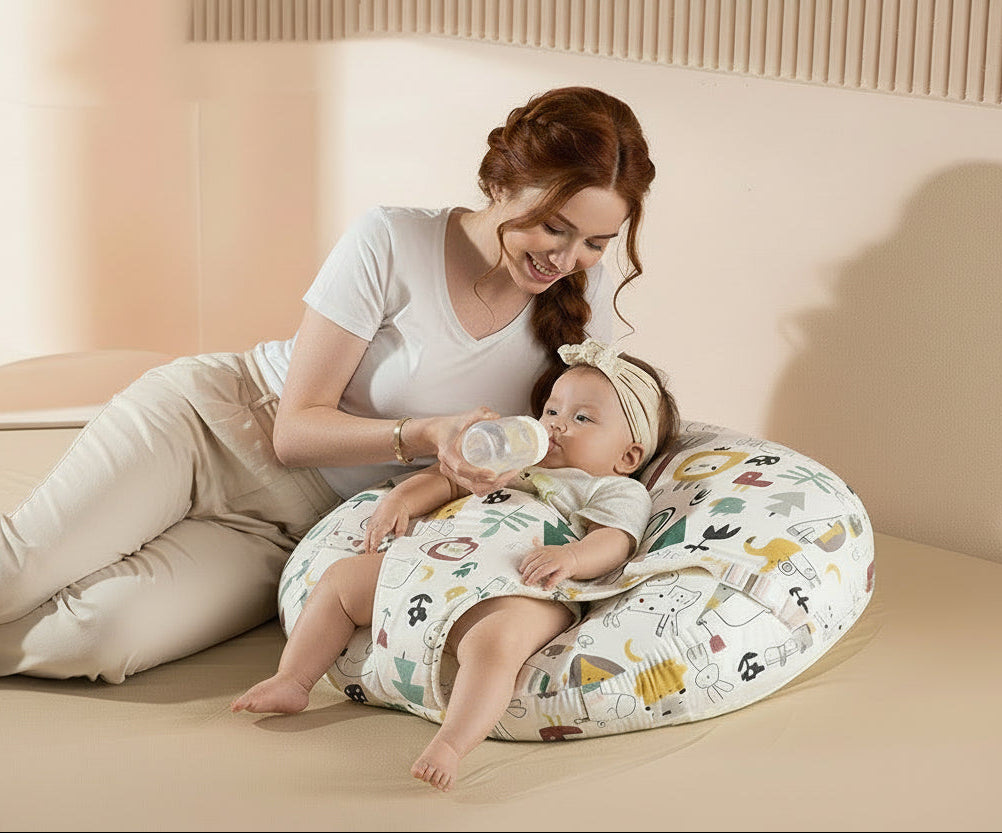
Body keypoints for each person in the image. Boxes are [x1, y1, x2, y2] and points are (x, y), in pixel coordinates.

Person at [0, 86, 656, 685]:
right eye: (553, 227)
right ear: (504, 183)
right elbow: (295, 430)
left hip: (293, 529)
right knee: (20, 572)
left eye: (596, 242)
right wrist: (428, 434)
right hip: (211, 429)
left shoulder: (577, 298)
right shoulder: (392, 240)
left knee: (99, 638)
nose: (567, 259)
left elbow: (594, 432)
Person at [230, 338, 681, 793]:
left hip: (521, 583)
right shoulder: (514, 462)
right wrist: (401, 500)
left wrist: (571, 557)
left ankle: (452, 741)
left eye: (581, 418)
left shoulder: (611, 489)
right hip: (444, 560)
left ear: (628, 457)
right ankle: (293, 678)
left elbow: (614, 541)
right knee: (341, 582)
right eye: (551, 412)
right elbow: (447, 481)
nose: (557, 426)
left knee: (497, 644)